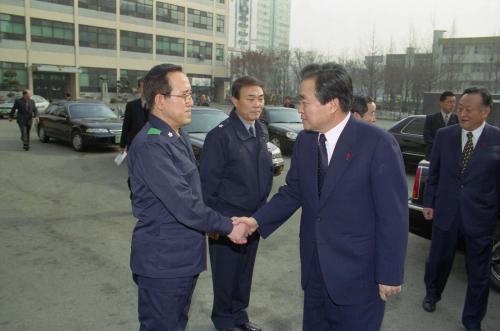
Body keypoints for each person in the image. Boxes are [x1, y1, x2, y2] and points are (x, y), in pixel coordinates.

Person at [235, 63, 409, 330]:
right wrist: (255, 221)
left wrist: (390, 272)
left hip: (359, 276)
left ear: (332, 104)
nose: (299, 108)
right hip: (316, 270)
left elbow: (393, 214)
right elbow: (293, 192)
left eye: (304, 101)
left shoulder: (377, 144)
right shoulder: (306, 141)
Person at [126, 64, 249, 331]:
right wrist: (227, 226)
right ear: (160, 100)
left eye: (191, 94)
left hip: (181, 260)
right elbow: (184, 203)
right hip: (164, 263)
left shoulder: (176, 136)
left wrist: (218, 222)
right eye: (184, 95)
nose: (191, 101)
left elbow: (195, 192)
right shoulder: (152, 144)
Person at [421, 87, 500, 331]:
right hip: (446, 211)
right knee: (438, 260)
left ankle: (472, 319)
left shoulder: (497, 139)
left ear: (485, 111)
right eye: (460, 108)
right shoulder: (445, 136)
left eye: (469, 109)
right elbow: (433, 174)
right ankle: (432, 295)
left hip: (481, 217)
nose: (462, 113)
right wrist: (429, 202)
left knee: (478, 272)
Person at [200, 76, 273, 331]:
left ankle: (239, 318)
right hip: (227, 220)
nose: (257, 104)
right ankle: (223, 321)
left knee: (244, 274)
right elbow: (208, 185)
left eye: (261, 98)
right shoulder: (220, 136)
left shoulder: (261, 129)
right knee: (226, 275)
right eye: (251, 98)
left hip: (253, 218)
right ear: (234, 100)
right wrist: (214, 224)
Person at [423, 91, 458, 160]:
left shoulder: (458, 120)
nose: (452, 104)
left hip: (451, 157)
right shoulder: (431, 118)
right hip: (433, 156)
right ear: (441, 103)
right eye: (450, 102)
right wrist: (441, 146)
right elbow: (427, 137)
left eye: (454, 102)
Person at [119, 79, 148, 152]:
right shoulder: (131, 106)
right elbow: (126, 126)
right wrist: (122, 145)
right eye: (143, 87)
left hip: (151, 146)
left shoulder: (157, 106)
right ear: (139, 89)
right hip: (133, 145)